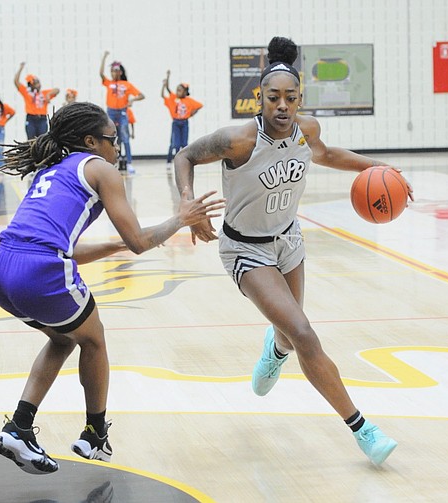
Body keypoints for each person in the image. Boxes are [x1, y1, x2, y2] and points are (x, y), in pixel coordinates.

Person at [175, 36, 413, 466]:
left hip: (289, 239)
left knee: (289, 334)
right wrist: (189, 203)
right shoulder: (238, 140)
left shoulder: (307, 130)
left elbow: (327, 153)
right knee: (304, 333)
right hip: (246, 249)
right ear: (258, 99)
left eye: (291, 97)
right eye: (273, 98)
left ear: (300, 98)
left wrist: (378, 168)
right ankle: (363, 429)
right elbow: (184, 155)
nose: (282, 105)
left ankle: (275, 350)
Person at [0, 101, 225, 475]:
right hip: (38, 270)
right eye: (112, 139)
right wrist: (181, 217)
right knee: (94, 340)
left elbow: (58, 248)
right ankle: (95, 434)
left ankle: (19, 426)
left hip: (1, 269)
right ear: (91, 142)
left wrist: (114, 245)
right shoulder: (100, 169)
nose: (118, 147)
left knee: (64, 339)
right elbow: (139, 242)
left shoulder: (52, 169)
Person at [99, 51, 145, 174]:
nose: (113, 73)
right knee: (112, 138)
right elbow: (101, 74)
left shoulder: (126, 84)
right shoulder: (109, 83)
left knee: (125, 137)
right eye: (112, 71)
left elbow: (141, 95)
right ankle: (113, 162)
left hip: (122, 112)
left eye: (115, 71)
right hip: (111, 112)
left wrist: (132, 99)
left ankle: (129, 162)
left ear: (120, 72)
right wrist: (104, 57)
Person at [161, 70, 203, 170]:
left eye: (180, 90)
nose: (177, 92)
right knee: (175, 143)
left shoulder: (189, 101)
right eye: (177, 90)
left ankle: (184, 161)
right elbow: (167, 90)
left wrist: (193, 112)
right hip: (176, 122)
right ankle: (171, 160)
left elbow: (200, 105)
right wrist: (167, 78)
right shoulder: (174, 98)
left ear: (185, 92)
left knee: (184, 143)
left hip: (184, 122)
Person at [14, 62, 59, 139]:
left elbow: (57, 90)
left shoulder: (44, 93)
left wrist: (48, 95)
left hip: (42, 119)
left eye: (38, 83)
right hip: (31, 118)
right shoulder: (26, 92)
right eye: (36, 83)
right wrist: (20, 68)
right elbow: (16, 81)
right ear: (31, 85)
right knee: (31, 139)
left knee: (42, 139)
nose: (38, 85)